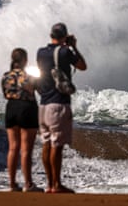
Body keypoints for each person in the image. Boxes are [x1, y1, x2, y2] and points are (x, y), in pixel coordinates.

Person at [37, 23, 87, 193]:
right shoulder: (66, 52)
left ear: (50, 35)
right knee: (57, 145)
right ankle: (56, 185)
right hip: (58, 103)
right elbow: (82, 66)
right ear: (64, 36)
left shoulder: (41, 53)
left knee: (46, 143)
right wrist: (74, 47)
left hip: (43, 104)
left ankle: (49, 184)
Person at [1, 48, 41, 192]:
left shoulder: (6, 76)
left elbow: (5, 95)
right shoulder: (29, 77)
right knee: (26, 150)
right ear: (24, 60)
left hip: (11, 108)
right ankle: (28, 184)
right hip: (27, 108)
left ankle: (12, 184)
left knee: (13, 148)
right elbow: (39, 91)